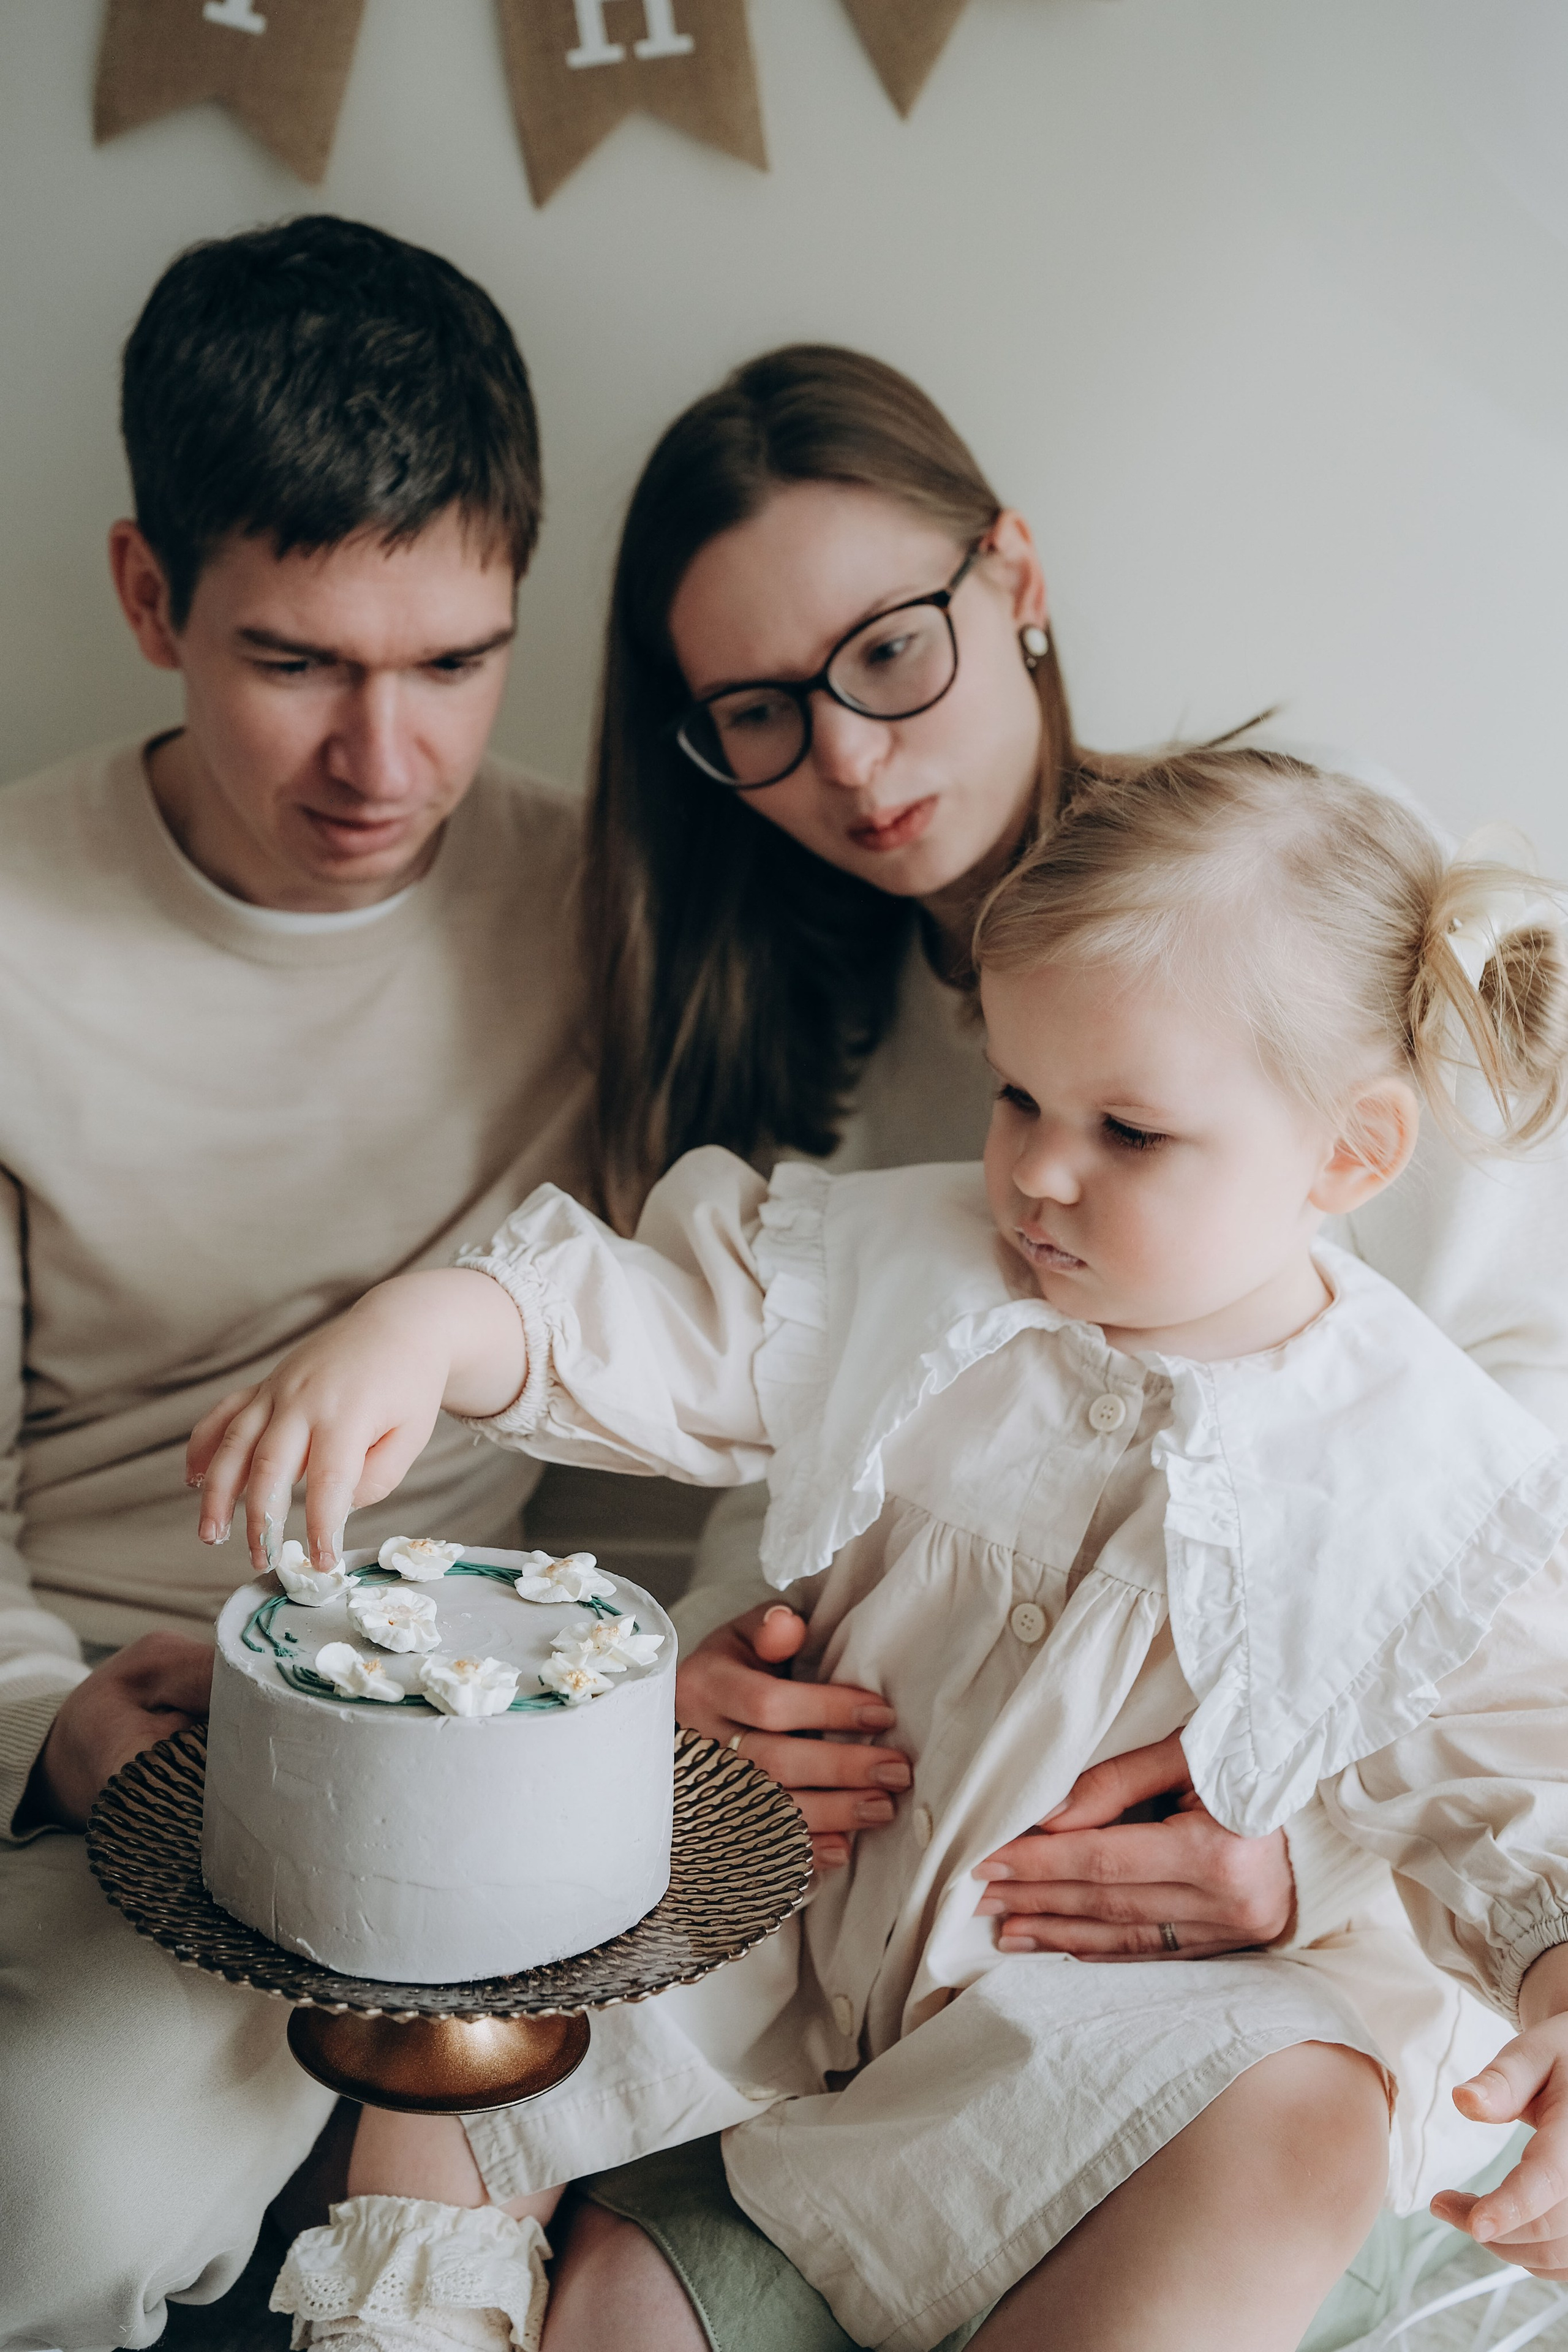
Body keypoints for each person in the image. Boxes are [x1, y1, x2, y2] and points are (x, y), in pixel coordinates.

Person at [191, 745, 1568, 2352]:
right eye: (1019, 1097)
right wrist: (437, 1324)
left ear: (1347, 1157)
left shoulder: (1424, 1468)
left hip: (1102, 2021)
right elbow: (660, 1330)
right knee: (462, 2037)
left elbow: (1511, 1781)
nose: (1039, 1173)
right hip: (779, 1946)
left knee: (1306, 2115)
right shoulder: (915, 1268)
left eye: (1128, 1130)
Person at [0, 217, 594, 2352]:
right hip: (110, 1728)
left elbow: (709, 1380)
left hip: (496, 1756)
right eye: (298, 664)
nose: (389, 762)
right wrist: (43, 1718)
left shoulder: (610, 911)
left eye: (455, 662)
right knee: (48, 2198)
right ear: (149, 596)